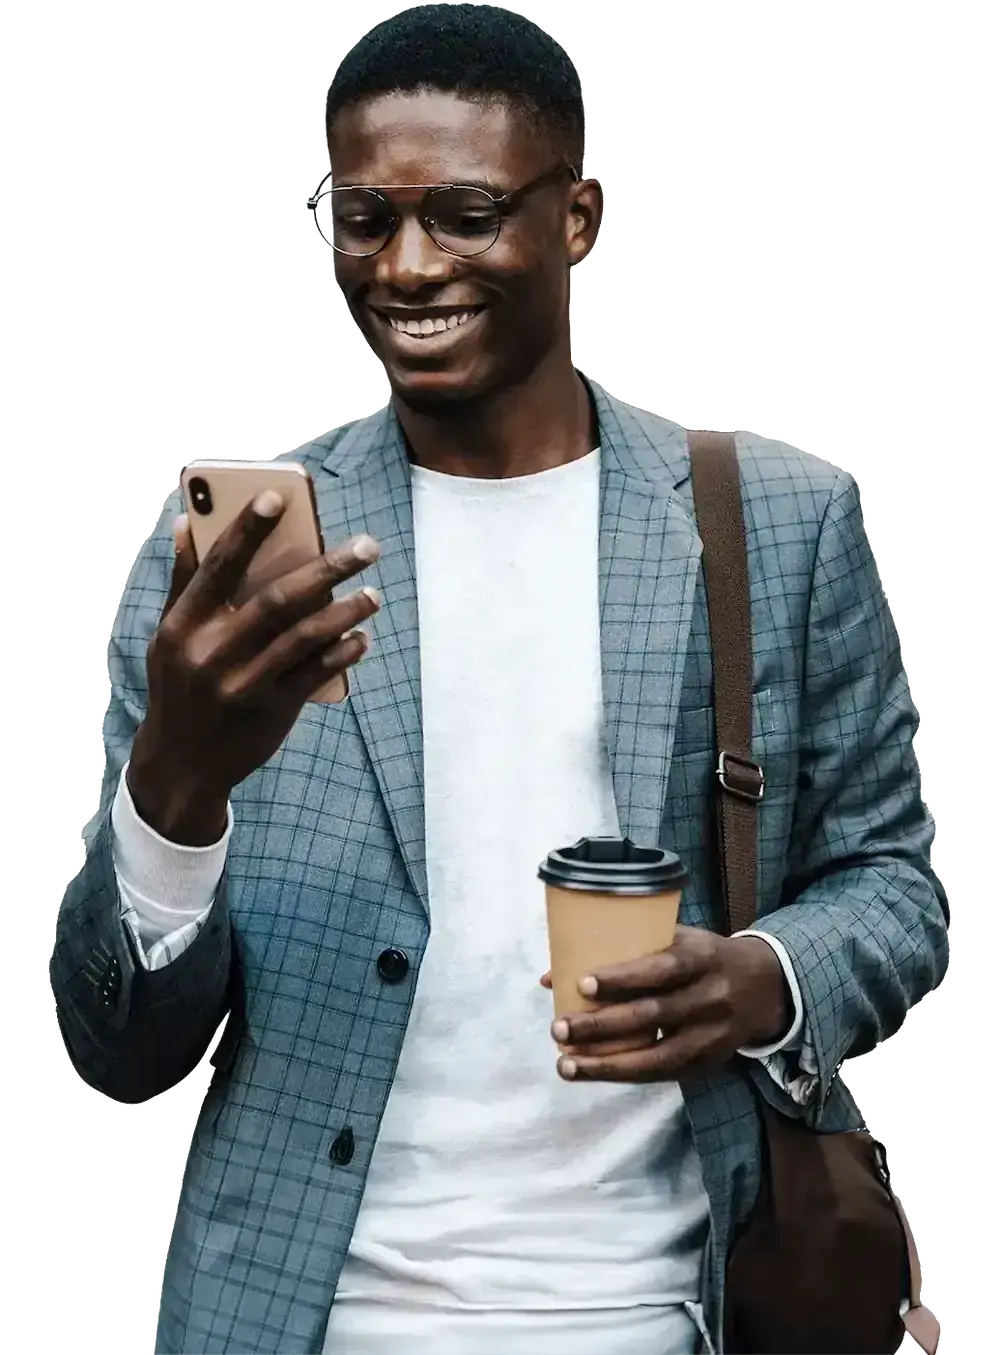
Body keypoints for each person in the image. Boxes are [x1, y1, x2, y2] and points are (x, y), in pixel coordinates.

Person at [50, 6, 950, 1354]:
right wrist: (174, 792)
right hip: (300, 1323)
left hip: (656, 1311)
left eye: (466, 212)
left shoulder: (773, 519)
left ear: (580, 217)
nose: (408, 266)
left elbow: (897, 886)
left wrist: (765, 974)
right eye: (362, 219)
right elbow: (119, 1051)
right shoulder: (223, 565)